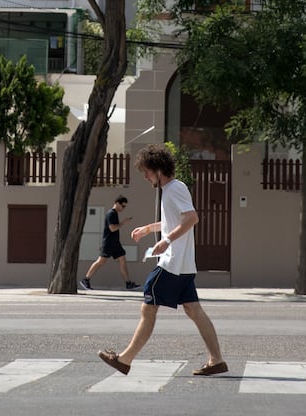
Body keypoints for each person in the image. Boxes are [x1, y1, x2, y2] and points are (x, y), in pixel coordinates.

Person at [97, 145, 227, 377]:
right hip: (183, 266)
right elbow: (176, 220)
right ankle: (216, 360)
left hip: (172, 263)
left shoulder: (174, 188)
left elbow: (191, 218)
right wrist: (149, 228)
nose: (145, 177)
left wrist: (166, 241)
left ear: (158, 169)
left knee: (148, 306)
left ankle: (125, 360)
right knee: (194, 310)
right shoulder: (170, 190)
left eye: (147, 172)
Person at [80, 195, 138, 291]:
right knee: (100, 261)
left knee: (122, 260)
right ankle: (86, 279)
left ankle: (128, 283)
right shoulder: (111, 213)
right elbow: (112, 228)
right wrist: (123, 223)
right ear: (116, 203)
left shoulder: (114, 213)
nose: (123, 208)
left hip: (115, 243)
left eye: (125, 207)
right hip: (109, 243)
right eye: (122, 206)